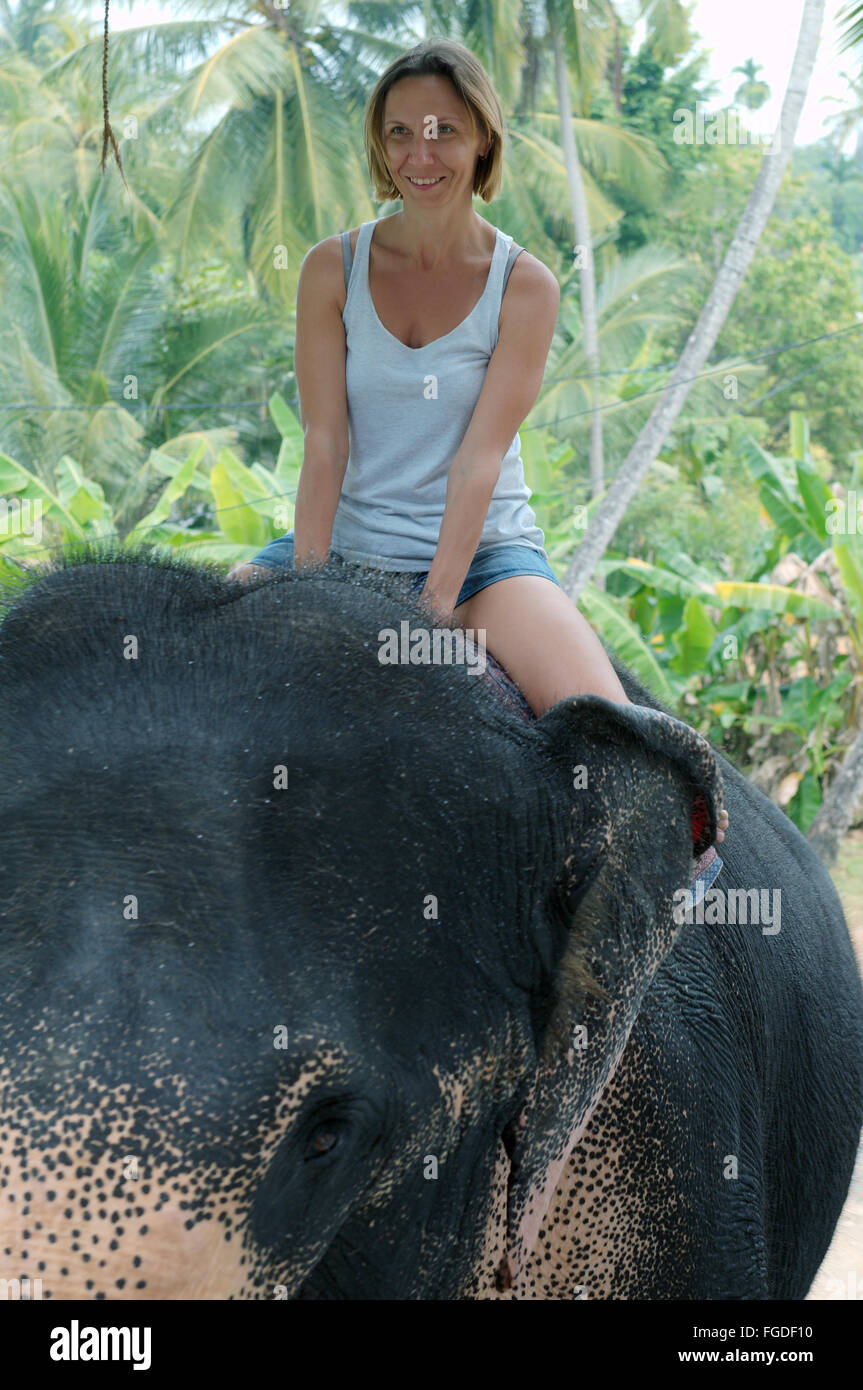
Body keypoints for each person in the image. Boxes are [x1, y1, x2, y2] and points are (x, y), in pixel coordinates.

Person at [229, 37, 727, 846]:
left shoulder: (523, 284)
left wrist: (427, 616)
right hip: (342, 549)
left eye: (443, 130)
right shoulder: (332, 267)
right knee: (182, 664)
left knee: (626, 771)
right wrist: (315, 600)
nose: (420, 154)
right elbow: (323, 444)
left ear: (482, 139)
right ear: (378, 145)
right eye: (399, 133)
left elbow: (478, 459)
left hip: (485, 565)